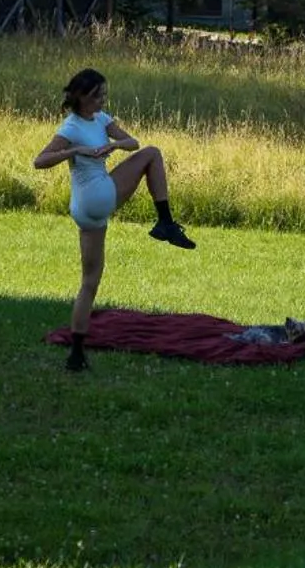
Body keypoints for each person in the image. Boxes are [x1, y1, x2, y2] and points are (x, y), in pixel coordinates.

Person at [34, 67, 195, 372]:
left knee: (89, 282)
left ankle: (76, 354)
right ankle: (165, 222)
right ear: (81, 97)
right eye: (97, 96)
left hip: (84, 208)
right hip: (96, 194)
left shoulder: (104, 120)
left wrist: (114, 145)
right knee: (153, 155)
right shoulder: (70, 127)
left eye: (104, 95)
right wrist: (76, 149)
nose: (102, 101)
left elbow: (132, 142)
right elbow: (39, 161)